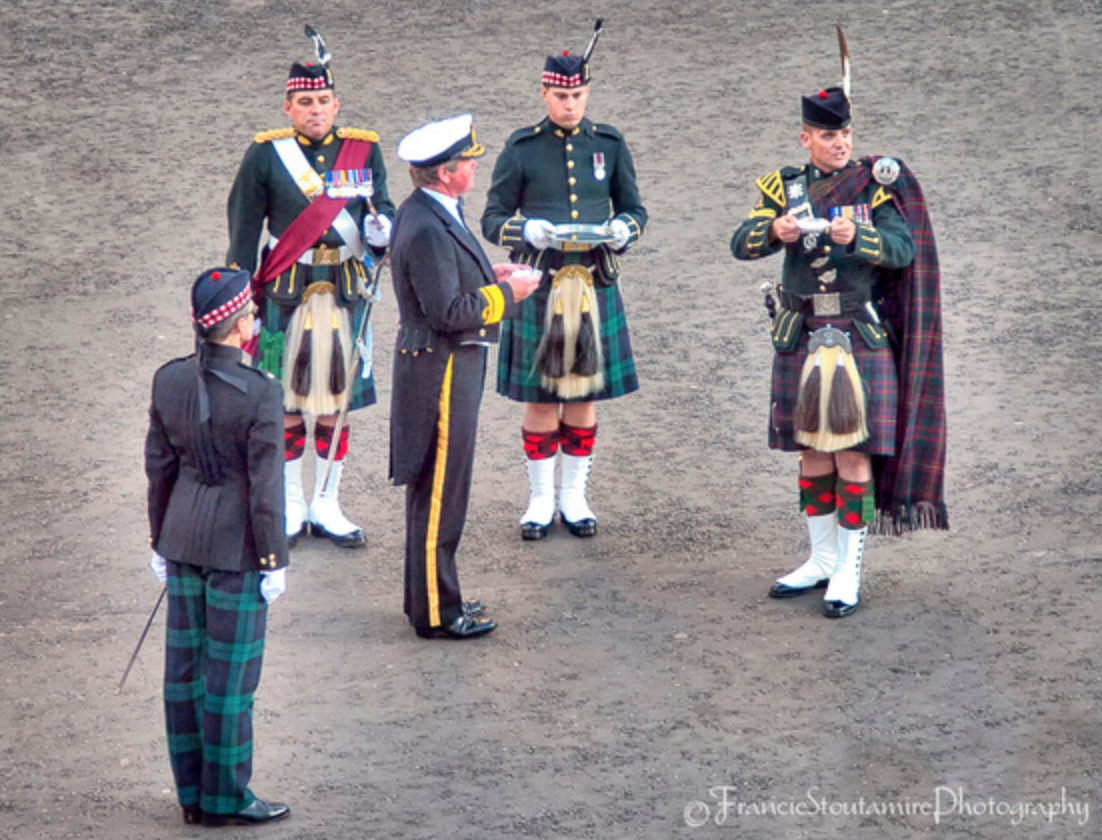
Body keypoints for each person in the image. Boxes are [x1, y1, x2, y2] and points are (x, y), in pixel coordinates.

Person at [731, 68, 947, 618]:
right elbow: (741, 242)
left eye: (845, 134)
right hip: (802, 332)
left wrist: (863, 237)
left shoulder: (874, 186)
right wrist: (774, 231)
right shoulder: (783, 187)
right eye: (829, 136)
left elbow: (903, 249)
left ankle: (848, 572)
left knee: (853, 454)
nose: (841, 143)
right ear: (806, 138)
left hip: (858, 333)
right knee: (810, 451)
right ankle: (821, 558)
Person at [227, 28, 395, 549]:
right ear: (288, 106)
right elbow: (243, 235)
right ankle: (292, 505)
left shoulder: (362, 150)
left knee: (335, 401)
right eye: (305, 102)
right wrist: (244, 306)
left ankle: (327, 501)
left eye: (323, 101)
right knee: (284, 403)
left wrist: (382, 229)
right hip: (283, 296)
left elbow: (382, 207)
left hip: (342, 292)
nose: (315, 110)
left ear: (336, 102)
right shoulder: (265, 156)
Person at [481, 21, 647, 541]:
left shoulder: (610, 144)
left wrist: (624, 230)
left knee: (582, 396)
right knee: (540, 398)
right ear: (544, 93)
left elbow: (636, 209)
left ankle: (574, 497)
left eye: (576, 95)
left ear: (587, 92)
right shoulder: (522, 147)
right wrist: (526, 229)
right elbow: (491, 219)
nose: (569, 104)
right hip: (540, 283)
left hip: (593, 283)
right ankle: (539, 499)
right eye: (560, 95)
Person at [145, 267, 290, 826]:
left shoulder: (167, 380)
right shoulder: (261, 392)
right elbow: (266, 490)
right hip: (237, 553)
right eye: (251, 314)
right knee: (229, 684)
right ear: (239, 328)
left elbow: (158, 468)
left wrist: (160, 539)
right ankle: (226, 798)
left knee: (183, 674)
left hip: (182, 538)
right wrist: (274, 558)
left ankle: (191, 795)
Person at [390, 114, 540, 640]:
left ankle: (430, 595)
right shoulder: (429, 226)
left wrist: (487, 273)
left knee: (438, 491)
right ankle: (436, 612)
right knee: (440, 494)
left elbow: (452, 283)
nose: (475, 165)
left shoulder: (434, 212)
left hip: (444, 364)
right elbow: (449, 310)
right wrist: (508, 295)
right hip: (444, 368)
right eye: (467, 160)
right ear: (444, 172)